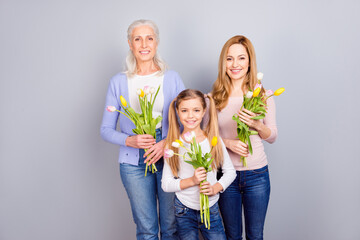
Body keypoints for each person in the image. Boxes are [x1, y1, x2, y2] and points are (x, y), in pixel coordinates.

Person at [100, 19, 185, 240]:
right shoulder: (118, 82)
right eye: (138, 39)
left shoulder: (172, 78)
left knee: (171, 228)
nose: (144, 44)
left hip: (168, 157)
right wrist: (131, 141)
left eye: (149, 38)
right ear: (130, 43)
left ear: (156, 43)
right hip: (133, 163)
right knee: (146, 229)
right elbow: (106, 129)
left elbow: (187, 121)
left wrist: (165, 143)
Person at [210, 35, 278, 240]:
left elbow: (272, 136)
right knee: (232, 236)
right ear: (224, 63)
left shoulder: (263, 95)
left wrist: (256, 125)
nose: (235, 64)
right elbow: (206, 139)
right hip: (226, 176)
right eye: (229, 59)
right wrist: (228, 143)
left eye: (241, 58)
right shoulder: (213, 97)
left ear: (249, 62)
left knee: (255, 235)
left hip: (257, 174)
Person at [161, 89, 236, 240]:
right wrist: (192, 181)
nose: (190, 116)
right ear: (177, 112)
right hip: (184, 210)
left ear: (204, 112)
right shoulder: (174, 145)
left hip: (211, 208)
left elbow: (230, 172)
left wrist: (215, 188)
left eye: (196, 110)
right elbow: (166, 184)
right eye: (184, 110)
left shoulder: (213, 140)